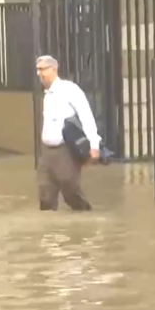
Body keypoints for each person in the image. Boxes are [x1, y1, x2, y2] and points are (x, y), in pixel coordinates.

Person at [36, 55, 100, 211]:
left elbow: (86, 116)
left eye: (43, 69)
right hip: (46, 151)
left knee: (70, 189)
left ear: (54, 69)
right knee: (45, 193)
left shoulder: (69, 89)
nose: (39, 73)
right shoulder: (46, 94)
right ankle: (48, 225)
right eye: (38, 70)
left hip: (65, 150)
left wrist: (94, 144)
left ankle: (85, 215)